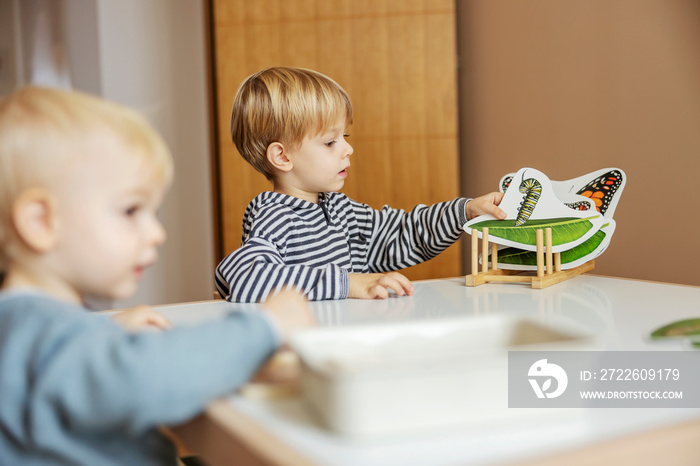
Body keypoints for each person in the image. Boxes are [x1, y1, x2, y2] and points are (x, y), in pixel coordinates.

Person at [0, 86, 315, 465]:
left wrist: (108, 334)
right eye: (132, 210)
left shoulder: (26, 327)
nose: (156, 233)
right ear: (41, 221)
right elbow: (145, 377)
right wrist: (264, 327)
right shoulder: (44, 334)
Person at [215, 67, 506, 303]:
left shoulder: (340, 210)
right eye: (330, 142)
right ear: (282, 156)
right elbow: (244, 278)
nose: (347, 149)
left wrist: (464, 211)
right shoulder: (273, 216)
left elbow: (402, 233)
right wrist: (348, 282)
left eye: (345, 137)